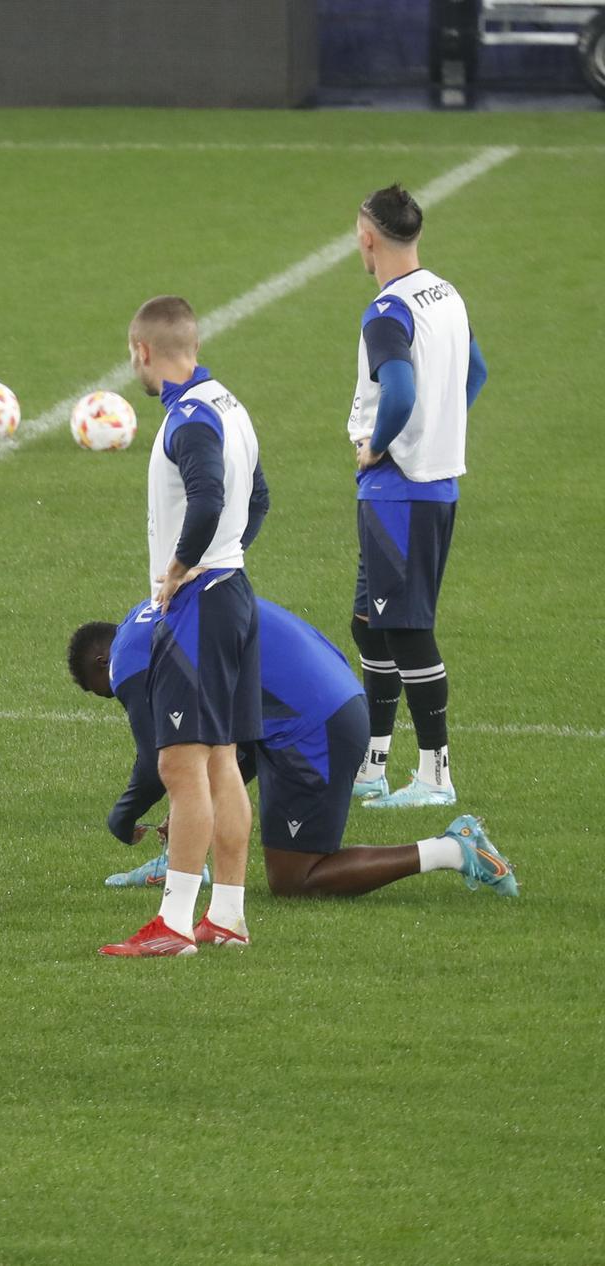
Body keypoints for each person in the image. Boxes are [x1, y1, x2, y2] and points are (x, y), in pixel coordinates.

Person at [68, 599, 516, 898]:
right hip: (330, 700)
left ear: (102, 662)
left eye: (104, 691)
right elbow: (228, 741)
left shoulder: (128, 656)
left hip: (312, 725)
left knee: (294, 878)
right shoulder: (160, 611)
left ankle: (454, 850)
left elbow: (155, 763)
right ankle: (180, 863)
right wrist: (190, 810)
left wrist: (122, 818)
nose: (116, 697)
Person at [101, 296, 269, 957]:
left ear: (144, 351)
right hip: (233, 593)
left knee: (180, 765)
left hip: (200, 606)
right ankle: (226, 915)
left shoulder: (188, 419)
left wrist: (180, 566)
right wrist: (227, 550)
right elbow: (259, 499)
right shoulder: (229, 403)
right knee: (222, 759)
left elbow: (209, 497)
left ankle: (173, 925)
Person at [343, 183, 489, 809]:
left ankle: (434, 774)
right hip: (429, 483)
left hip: (399, 489)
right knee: (370, 624)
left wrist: (381, 444)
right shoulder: (446, 294)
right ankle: (372, 765)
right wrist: (440, 429)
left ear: (369, 237)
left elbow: (398, 393)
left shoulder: (386, 312)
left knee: (405, 630)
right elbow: (475, 372)